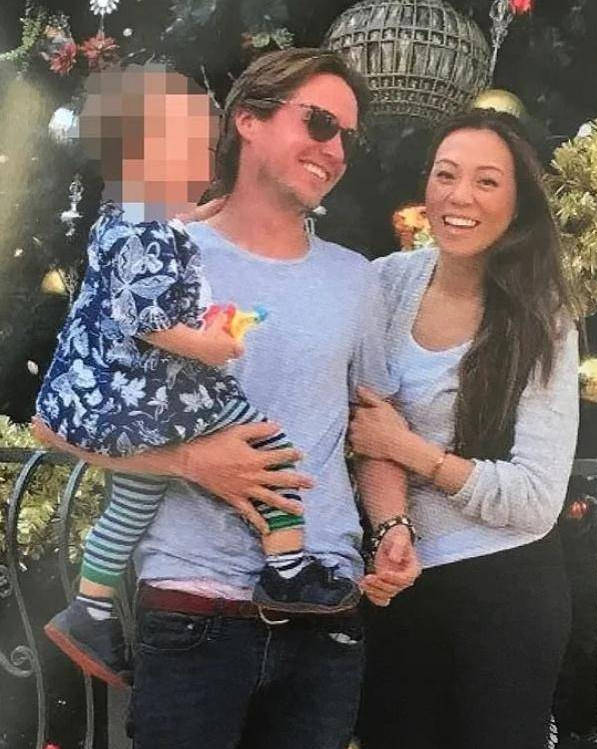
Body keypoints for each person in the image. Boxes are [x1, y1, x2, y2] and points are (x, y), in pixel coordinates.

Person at [33, 47, 420, 749]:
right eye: (319, 123)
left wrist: (394, 528)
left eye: (346, 137)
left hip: (324, 616)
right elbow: (59, 416)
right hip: (192, 611)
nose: (335, 150)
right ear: (248, 119)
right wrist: (190, 463)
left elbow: (373, 429)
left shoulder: (355, 279)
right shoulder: (157, 249)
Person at [38, 198, 365, 689]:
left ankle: (90, 609)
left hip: (118, 394)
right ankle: (287, 571)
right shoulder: (147, 229)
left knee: (132, 503)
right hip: (164, 390)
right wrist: (210, 345)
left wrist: (187, 219)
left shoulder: (119, 220)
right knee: (270, 448)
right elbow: (145, 318)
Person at [350, 108, 579, 749]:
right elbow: (365, 423)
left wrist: (411, 450)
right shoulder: (384, 282)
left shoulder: (543, 318)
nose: (460, 196)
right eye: (446, 175)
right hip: (397, 581)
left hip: (506, 591)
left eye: (487, 181)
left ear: (517, 203)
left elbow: (536, 498)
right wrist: (391, 528)